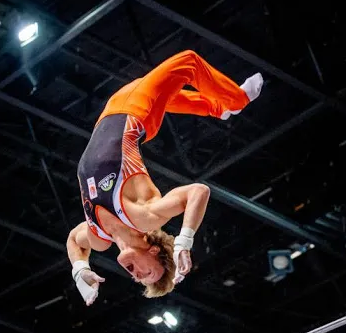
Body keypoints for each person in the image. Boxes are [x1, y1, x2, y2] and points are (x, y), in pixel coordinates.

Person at [66, 50, 264, 305]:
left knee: (164, 92)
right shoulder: (145, 217)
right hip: (134, 112)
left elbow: (74, 240)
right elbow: (198, 192)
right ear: (155, 251)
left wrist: (80, 270)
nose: (136, 276)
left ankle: (217, 108)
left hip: (114, 112)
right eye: (147, 272)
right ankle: (236, 100)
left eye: (139, 280)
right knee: (188, 62)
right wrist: (184, 240)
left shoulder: (98, 238)